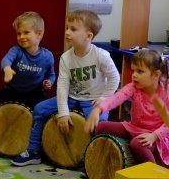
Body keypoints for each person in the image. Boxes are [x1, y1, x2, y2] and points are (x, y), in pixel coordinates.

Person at [12, 9, 120, 167]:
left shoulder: (101, 55)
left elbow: (115, 78)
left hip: (93, 100)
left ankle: (93, 161)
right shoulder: (66, 57)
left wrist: (104, 99)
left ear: (88, 36)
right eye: (67, 28)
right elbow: (62, 86)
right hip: (71, 97)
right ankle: (34, 151)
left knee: (99, 124)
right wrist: (63, 113)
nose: (67, 32)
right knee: (40, 109)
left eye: (73, 29)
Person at [85, 47, 169, 168]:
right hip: (134, 128)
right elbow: (115, 98)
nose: (134, 75)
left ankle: (153, 174)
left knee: (137, 143)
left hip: (157, 137)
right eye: (133, 70)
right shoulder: (133, 87)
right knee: (99, 127)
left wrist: (154, 136)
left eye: (140, 71)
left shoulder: (167, 91)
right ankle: (95, 164)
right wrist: (98, 109)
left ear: (155, 75)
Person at [0, 11, 55, 129]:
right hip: (13, 91)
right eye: (19, 33)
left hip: (35, 93)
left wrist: (49, 82)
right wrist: (7, 69)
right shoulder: (16, 51)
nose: (21, 37)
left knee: (47, 114)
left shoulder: (47, 56)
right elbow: (6, 60)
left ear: (39, 34)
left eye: (26, 32)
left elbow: (52, 74)